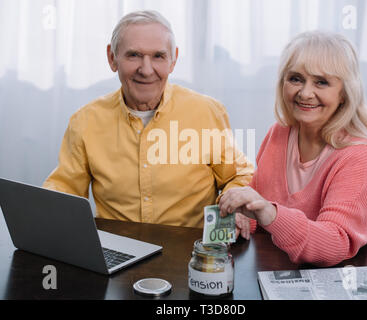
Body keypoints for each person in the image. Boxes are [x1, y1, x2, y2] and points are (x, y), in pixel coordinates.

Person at [43, 10, 254, 232]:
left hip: (189, 251)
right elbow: (65, 187)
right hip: (117, 250)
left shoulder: (208, 112)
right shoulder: (85, 121)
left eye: (158, 56)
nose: (146, 70)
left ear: (173, 60)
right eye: (133, 55)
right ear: (112, 58)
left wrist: (235, 204)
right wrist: (45, 204)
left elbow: (239, 175)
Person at [219, 31, 367, 266]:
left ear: (343, 93)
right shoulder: (279, 133)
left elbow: (335, 243)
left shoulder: (362, 155)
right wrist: (245, 217)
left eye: (321, 82)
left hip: (362, 268)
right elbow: (262, 202)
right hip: (297, 267)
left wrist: (269, 213)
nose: (305, 93)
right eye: (296, 79)